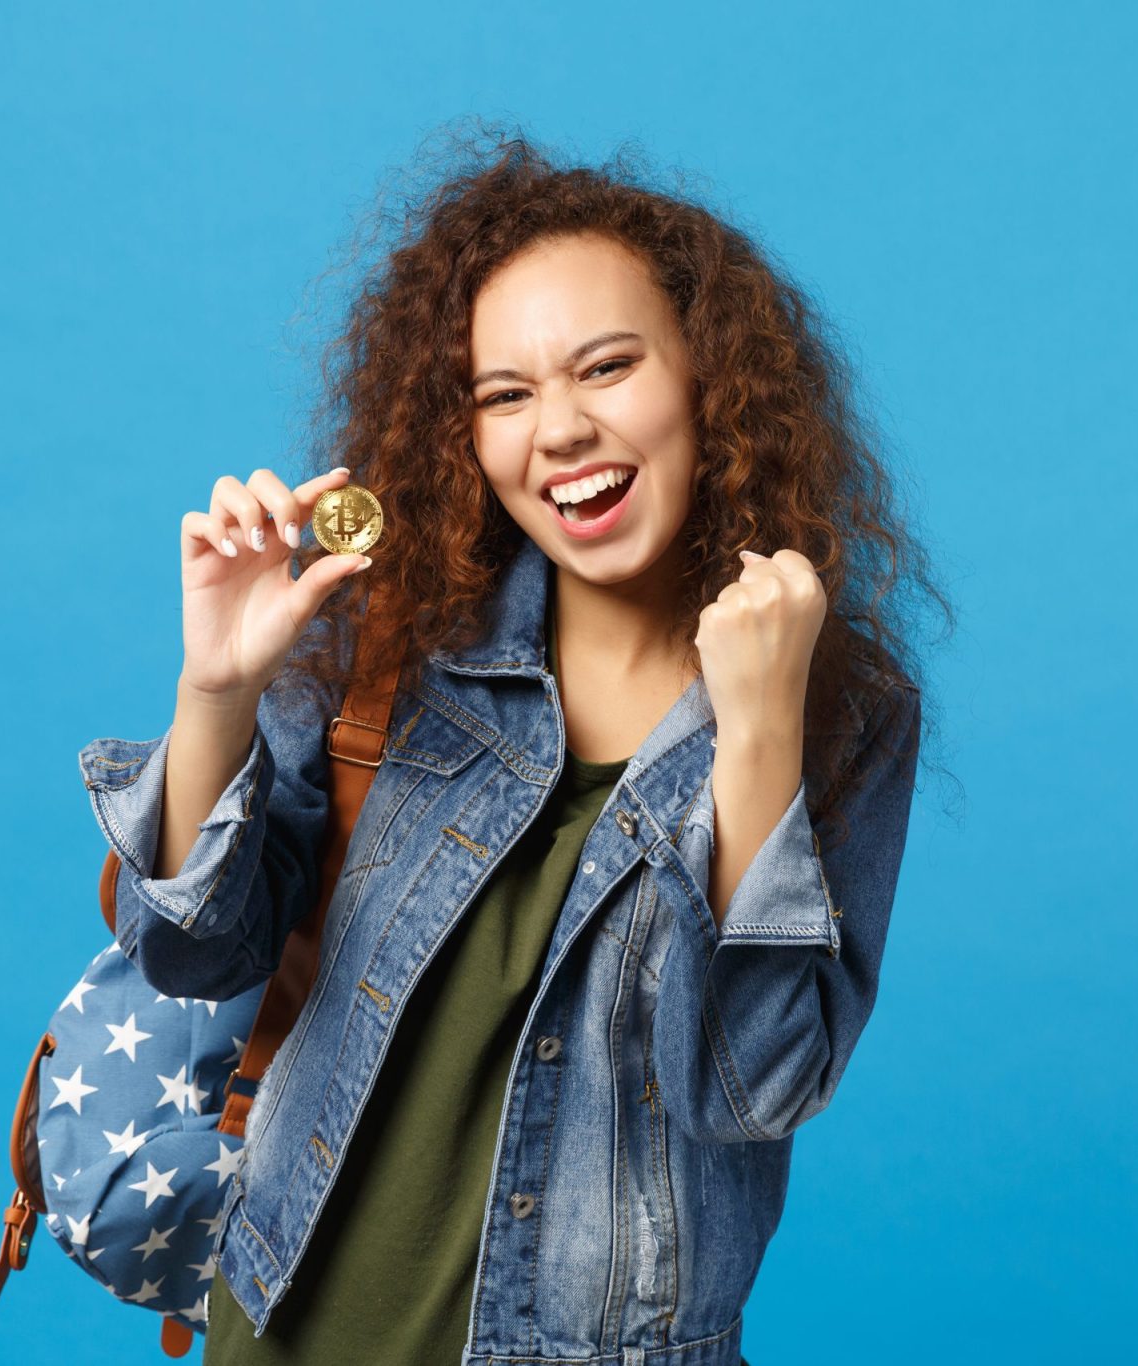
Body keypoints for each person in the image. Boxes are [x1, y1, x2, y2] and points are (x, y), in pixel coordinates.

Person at [79, 128, 951, 1366]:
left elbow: (748, 1091)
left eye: (605, 366)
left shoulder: (843, 713)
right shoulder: (390, 646)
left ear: (708, 378)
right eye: (504, 394)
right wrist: (216, 686)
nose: (558, 431)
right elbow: (186, 950)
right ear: (463, 435)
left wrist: (756, 733)